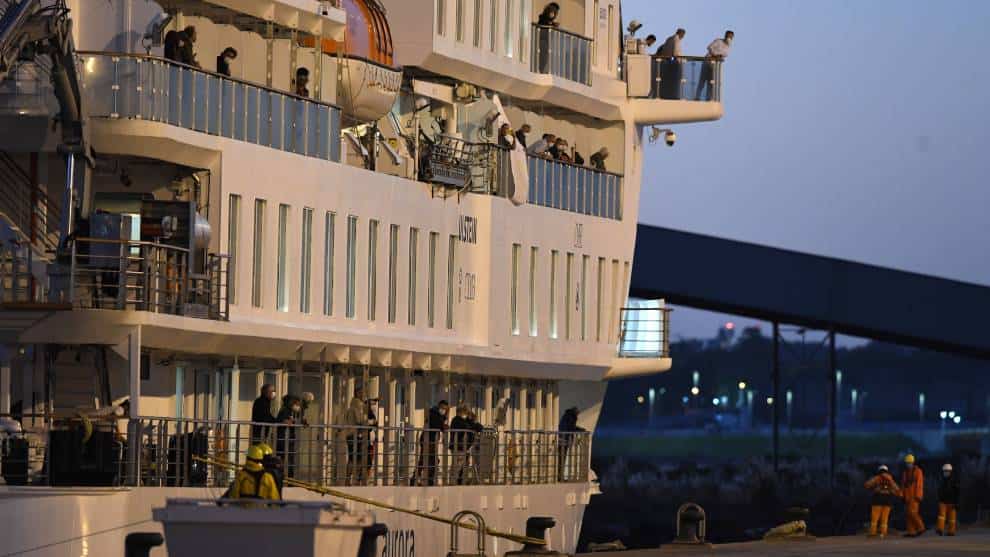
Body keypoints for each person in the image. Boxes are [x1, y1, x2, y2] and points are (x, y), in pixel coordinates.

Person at [414, 400, 449, 486]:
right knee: (431, 460)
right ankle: (427, 480)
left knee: (425, 460)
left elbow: (442, 425)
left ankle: (418, 478)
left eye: (445, 409)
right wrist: (444, 425)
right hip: (428, 440)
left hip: (431, 440)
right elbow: (438, 425)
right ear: (439, 406)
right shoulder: (433, 413)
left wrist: (444, 420)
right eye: (443, 408)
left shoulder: (438, 415)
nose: (444, 410)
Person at [864, 464, 901, 538]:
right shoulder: (890, 479)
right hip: (887, 501)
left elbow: (867, 485)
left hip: (877, 499)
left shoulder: (877, 478)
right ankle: (883, 533)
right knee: (885, 518)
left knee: (875, 518)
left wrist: (873, 489)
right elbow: (896, 489)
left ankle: (873, 533)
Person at [276, 395, 306, 478]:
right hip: (283, 440)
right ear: (291, 403)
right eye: (296, 404)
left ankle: (289, 479)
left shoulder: (293, 412)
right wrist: (290, 421)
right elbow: (283, 421)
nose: (298, 406)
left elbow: (298, 419)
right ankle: (285, 478)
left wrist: (301, 421)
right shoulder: (284, 411)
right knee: (285, 461)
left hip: (289, 439)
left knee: (290, 461)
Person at [696, 30, 733, 100]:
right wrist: (715, 55)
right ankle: (697, 97)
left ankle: (708, 98)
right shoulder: (718, 41)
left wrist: (720, 56)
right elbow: (709, 47)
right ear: (725, 36)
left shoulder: (728, 47)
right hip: (707, 62)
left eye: (731, 37)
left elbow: (724, 55)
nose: (729, 38)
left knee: (711, 82)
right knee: (702, 81)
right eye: (729, 36)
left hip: (715, 66)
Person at [344, 389, 367, 484]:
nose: (364, 395)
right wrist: (370, 421)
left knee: (351, 458)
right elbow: (360, 420)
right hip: (356, 434)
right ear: (358, 393)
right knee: (359, 458)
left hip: (349, 434)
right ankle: (356, 479)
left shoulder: (351, 405)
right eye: (362, 393)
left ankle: (348, 479)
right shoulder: (358, 405)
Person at [557, 407, 586, 481]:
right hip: (564, 440)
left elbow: (569, 427)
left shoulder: (566, 415)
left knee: (560, 459)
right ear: (575, 412)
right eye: (578, 413)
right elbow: (571, 428)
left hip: (561, 438)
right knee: (562, 459)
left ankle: (559, 476)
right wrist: (581, 430)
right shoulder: (572, 417)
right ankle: (560, 477)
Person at [901, 454, 926, 537]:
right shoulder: (905, 473)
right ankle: (911, 532)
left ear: (913, 462)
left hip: (914, 496)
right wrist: (903, 496)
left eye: (910, 463)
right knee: (908, 514)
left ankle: (921, 527)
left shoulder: (918, 471)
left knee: (913, 513)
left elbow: (919, 484)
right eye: (907, 463)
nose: (908, 464)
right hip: (907, 497)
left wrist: (919, 496)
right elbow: (903, 485)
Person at [936, 463, 960, 536]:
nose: (946, 472)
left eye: (947, 471)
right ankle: (940, 529)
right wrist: (939, 499)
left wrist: (957, 502)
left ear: (951, 471)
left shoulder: (955, 480)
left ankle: (951, 531)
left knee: (952, 518)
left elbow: (957, 492)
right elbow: (939, 490)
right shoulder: (941, 480)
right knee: (941, 516)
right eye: (945, 471)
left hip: (952, 502)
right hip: (943, 501)